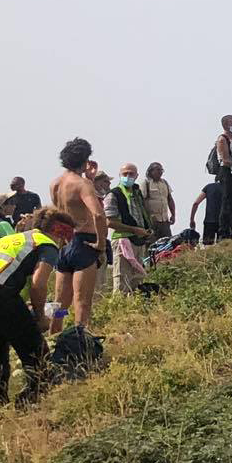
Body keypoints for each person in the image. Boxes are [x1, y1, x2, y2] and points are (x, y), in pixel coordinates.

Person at [0, 205, 75, 406]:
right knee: (35, 350)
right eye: (66, 238)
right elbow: (39, 284)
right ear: (59, 231)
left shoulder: (15, 239)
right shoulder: (46, 243)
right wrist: (40, 317)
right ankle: (35, 401)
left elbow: (12, 272)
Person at [47, 138, 106, 330]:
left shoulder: (55, 184)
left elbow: (57, 214)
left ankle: (55, 335)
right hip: (83, 243)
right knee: (82, 302)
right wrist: (101, 245)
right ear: (84, 159)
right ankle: (81, 342)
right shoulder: (82, 185)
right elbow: (98, 214)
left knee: (60, 303)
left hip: (64, 243)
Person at [105, 165, 154, 293]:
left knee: (137, 279)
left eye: (131, 174)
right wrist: (134, 229)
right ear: (120, 175)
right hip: (123, 241)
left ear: (137, 176)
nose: (128, 177)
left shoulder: (137, 194)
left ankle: (134, 310)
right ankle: (120, 309)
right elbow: (110, 222)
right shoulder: (114, 195)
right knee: (122, 278)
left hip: (138, 241)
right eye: (125, 174)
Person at [211, 115, 232, 241]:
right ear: (225, 124)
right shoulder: (222, 139)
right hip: (227, 173)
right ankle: (224, 232)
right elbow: (224, 158)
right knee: (227, 203)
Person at [141, 165, 175, 241]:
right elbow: (141, 201)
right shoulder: (146, 183)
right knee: (152, 244)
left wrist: (173, 215)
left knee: (167, 243)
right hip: (152, 221)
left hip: (164, 220)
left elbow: (170, 199)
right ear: (151, 171)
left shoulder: (164, 183)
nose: (160, 172)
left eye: (161, 170)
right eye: (158, 170)